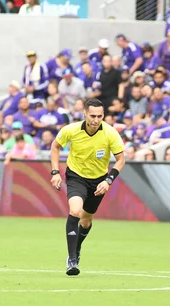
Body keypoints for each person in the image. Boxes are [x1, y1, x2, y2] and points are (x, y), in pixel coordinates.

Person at [50, 99, 126, 276]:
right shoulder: (71, 130)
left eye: (100, 116)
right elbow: (55, 147)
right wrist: (55, 172)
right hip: (76, 176)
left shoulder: (110, 133)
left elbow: (121, 160)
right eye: (92, 115)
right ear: (84, 113)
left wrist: (108, 181)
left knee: (86, 221)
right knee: (75, 211)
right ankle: (72, 260)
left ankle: (77, 248)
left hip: (98, 180)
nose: (96, 119)